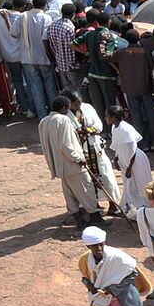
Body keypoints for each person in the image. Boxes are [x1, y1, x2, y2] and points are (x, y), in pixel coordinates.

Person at [40, 95, 104, 225]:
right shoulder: (63, 120)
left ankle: (79, 220)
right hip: (72, 164)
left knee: (69, 192)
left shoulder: (44, 121)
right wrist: (79, 158)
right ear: (64, 108)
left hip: (59, 165)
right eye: (68, 109)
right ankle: (95, 217)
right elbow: (66, 144)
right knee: (87, 188)